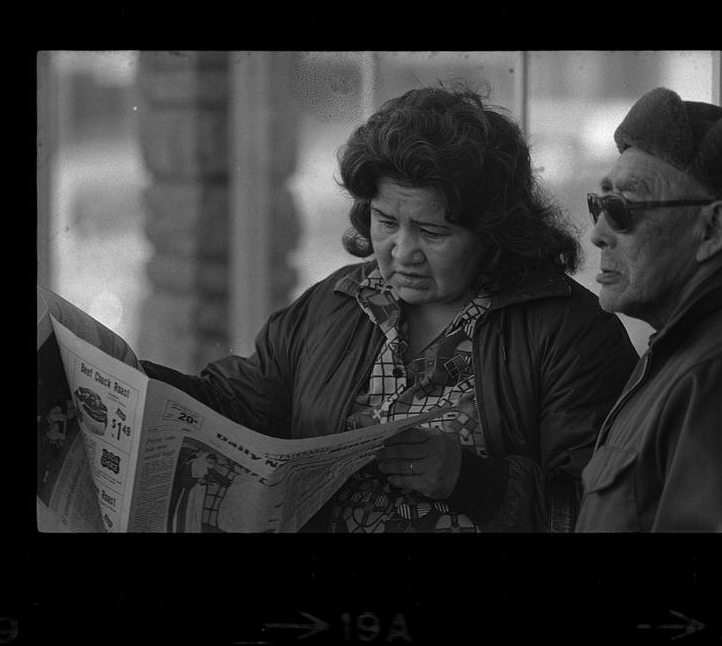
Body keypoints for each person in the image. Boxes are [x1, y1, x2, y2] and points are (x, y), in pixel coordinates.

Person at [142, 84, 639, 533]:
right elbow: (237, 406)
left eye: (432, 231)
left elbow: (600, 511)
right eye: (385, 222)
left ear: (493, 234)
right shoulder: (339, 303)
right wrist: (127, 375)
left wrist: (472, 481)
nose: (401, 252)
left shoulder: (570, 333)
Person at [575, 86, 722, 532]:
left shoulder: (718, 372)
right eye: (600, 203)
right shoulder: (684, 346)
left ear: (712, 228)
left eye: (623, 209)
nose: (597, 234)